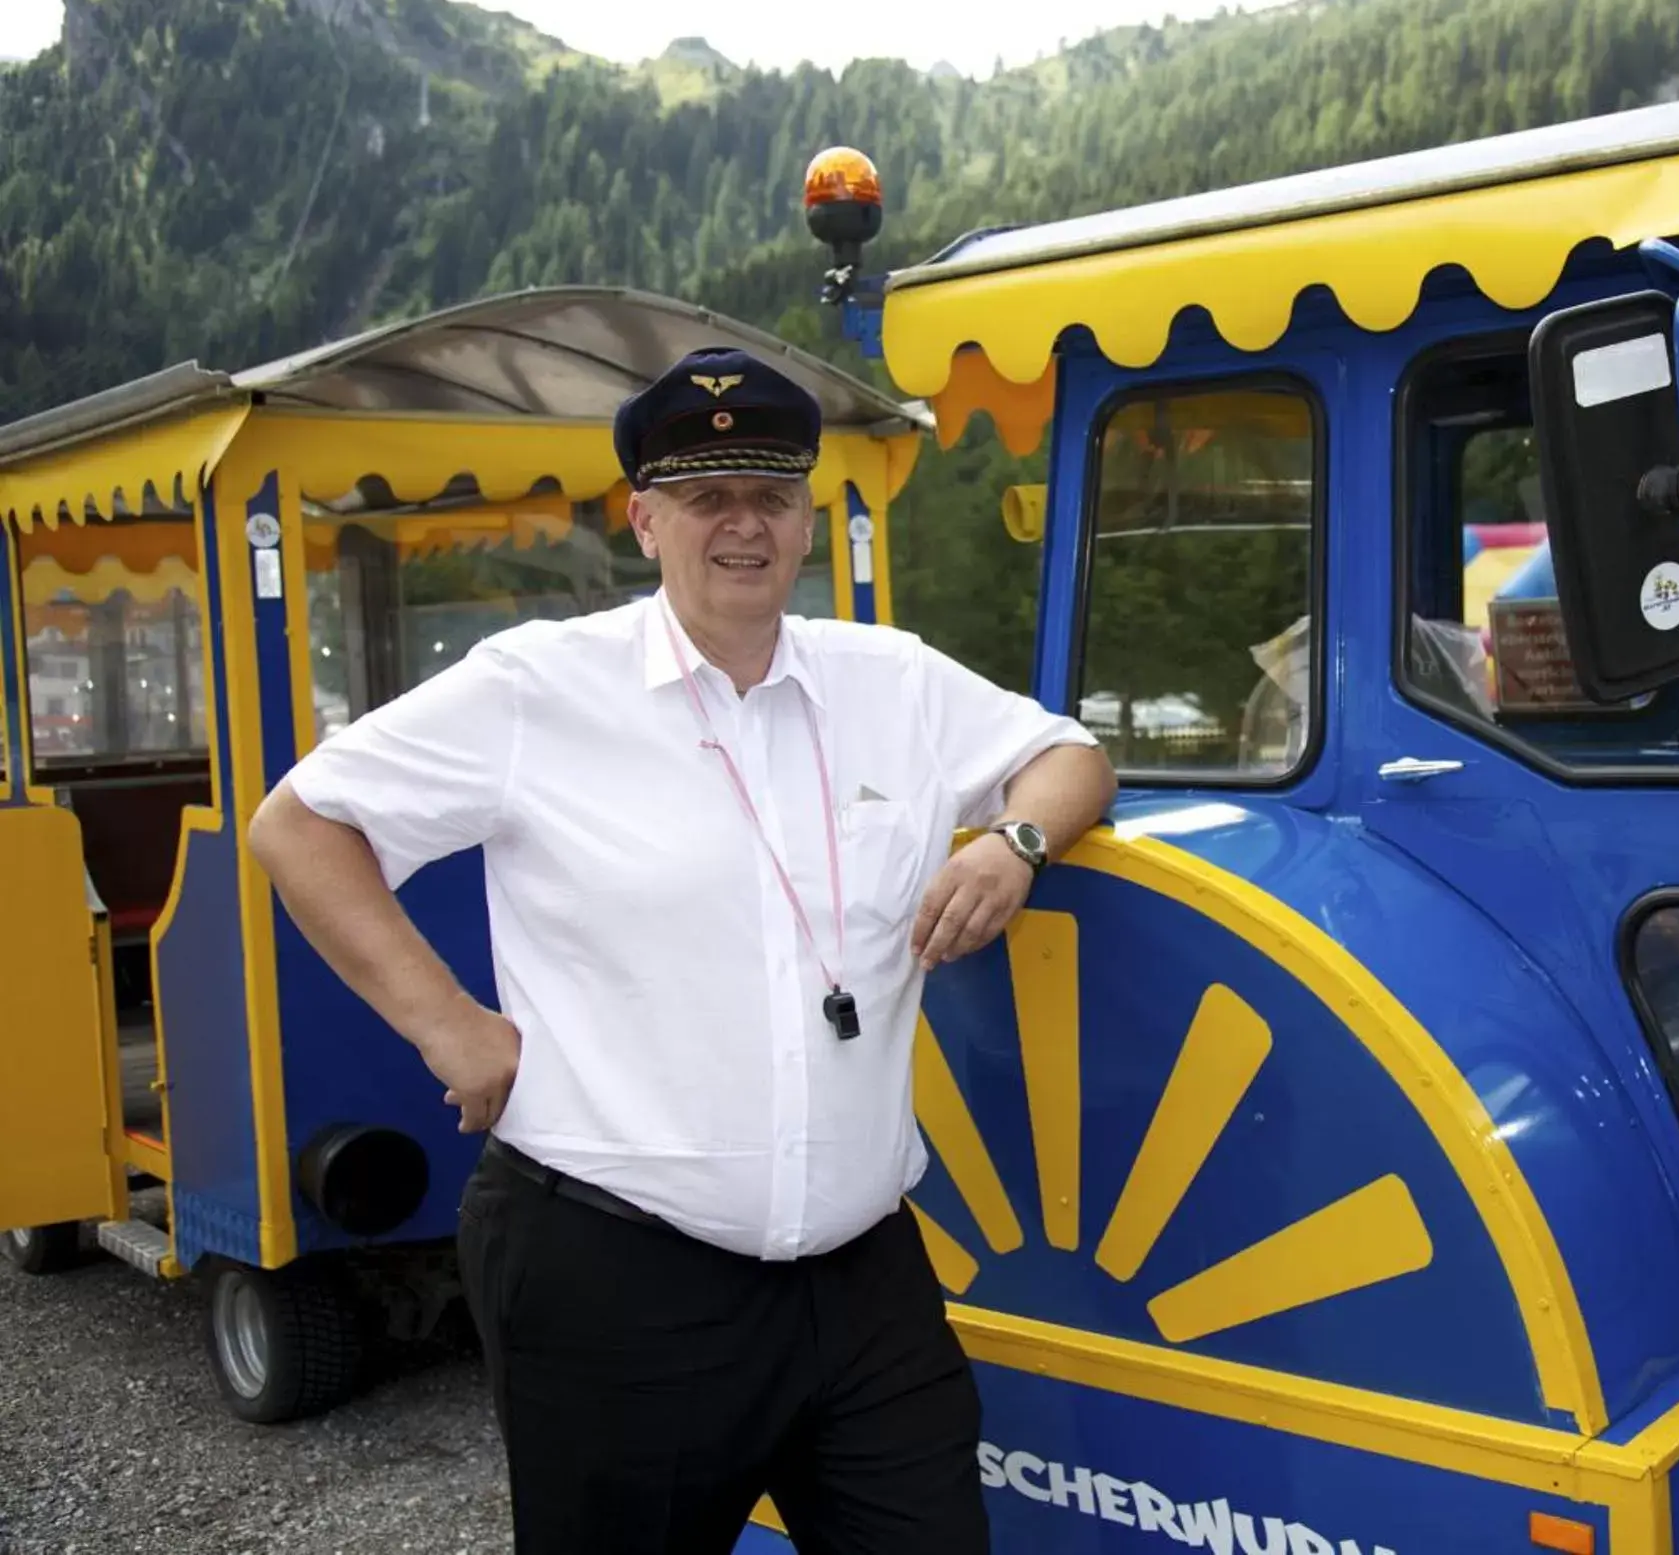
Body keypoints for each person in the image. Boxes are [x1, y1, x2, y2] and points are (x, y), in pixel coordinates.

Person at [246, 347, 1116, 1555]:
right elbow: (298, 824)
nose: (743, 526)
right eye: (708, 498)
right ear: (645, 519)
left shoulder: (894, 678)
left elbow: (1073, 753)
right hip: (617, 1276)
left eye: (768, 495)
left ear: (803, 517)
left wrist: (1012, 841)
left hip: (864, 1277)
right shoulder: (538, 688)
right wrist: (448, 1022)